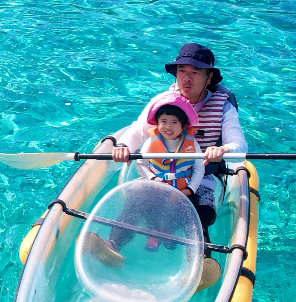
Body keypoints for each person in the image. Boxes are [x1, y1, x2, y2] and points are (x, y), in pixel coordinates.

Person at [110, 44, 248, 288]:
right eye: (182, 71)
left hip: (199, 176)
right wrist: (123, 146)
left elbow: (239, 147)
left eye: (195, 72)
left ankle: (199, 263)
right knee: (134, 200)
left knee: (201, 213)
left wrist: (223, 150)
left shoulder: (223, 106)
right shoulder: (163, 101)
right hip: (159, 174)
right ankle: (112, 246)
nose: (187, 78)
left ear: (209, 78)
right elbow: (138, 130)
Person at [82, 91, 205, 268]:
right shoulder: (151, 142)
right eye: (163, 121)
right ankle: (114, 243)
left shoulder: (192, 144)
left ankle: (197, 256)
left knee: (197, 210)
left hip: (183, 190)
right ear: (157, 123)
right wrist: (153, 180)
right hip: (155, 186)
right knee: (135, 198)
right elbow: (140, 163)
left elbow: (199, 168)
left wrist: (189, 190)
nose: (168, 127)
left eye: (174, 122)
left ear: (183, 125)